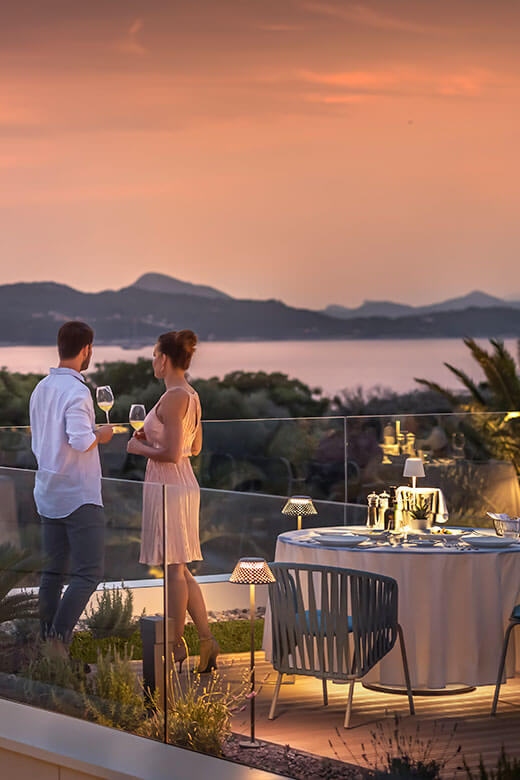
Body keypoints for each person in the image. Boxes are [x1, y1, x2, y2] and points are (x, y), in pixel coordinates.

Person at [127, 330, 218, 673]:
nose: (153, 361)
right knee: (178, 566)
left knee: (173, 568)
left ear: (164, 359)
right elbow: (193, 449)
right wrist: (149, 435)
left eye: (154, 355)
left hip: (169, 483)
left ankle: (173, 643)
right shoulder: (190, 395)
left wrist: (139, 447)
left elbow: (168, 453)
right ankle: (207, 641)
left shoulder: (174, 397)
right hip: (179, 480)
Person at [30, 321, 113, 652]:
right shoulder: (78, 391)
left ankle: (46, 646)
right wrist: (103, 436)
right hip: (79, 496)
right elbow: (81, 441)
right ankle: (58, 644)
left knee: (52, 574)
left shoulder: (42, 387)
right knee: (88, 573)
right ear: (86, 349)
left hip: (48, 492)